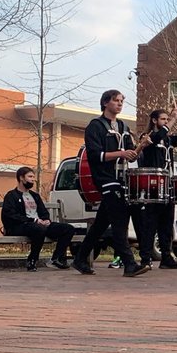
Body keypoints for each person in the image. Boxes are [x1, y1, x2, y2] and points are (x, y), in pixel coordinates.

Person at [71, 89, 150, 277]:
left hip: (121, 179)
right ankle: (129, 264)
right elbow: (95, 155)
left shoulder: (123, 126)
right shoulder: (95, 126)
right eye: (116, 101)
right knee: (119, 221)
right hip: (106, 179)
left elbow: (130, 155)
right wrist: (121, 153)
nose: (120, 104)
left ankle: (80, 258)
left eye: (122, 101)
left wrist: (140, 148)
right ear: (105, 103)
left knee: (101, 223)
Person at [136, 103, 177, 269]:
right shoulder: (147, 136)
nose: (166, 121)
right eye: (163, 119)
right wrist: (173, 119)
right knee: (150, 224)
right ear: (154, 120)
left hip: (168, 185)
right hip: (153, 186)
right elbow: (157, 136)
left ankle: (166, 257)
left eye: (166, 119)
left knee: (167, 224)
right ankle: (145, 258)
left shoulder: (168, 139)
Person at [1, 167, 76, 271]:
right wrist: (34, 220)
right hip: (19, 226)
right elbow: (10, 215)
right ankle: (32, 260)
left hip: (39, 226)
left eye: (33, 177)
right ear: (21, 178)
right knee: (38, 228)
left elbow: (43, 212)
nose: (33, 179)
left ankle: (56, 259)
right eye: (30, 177)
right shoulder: (11, 196)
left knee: (68, 229)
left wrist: (46, 220)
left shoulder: (35, 196)